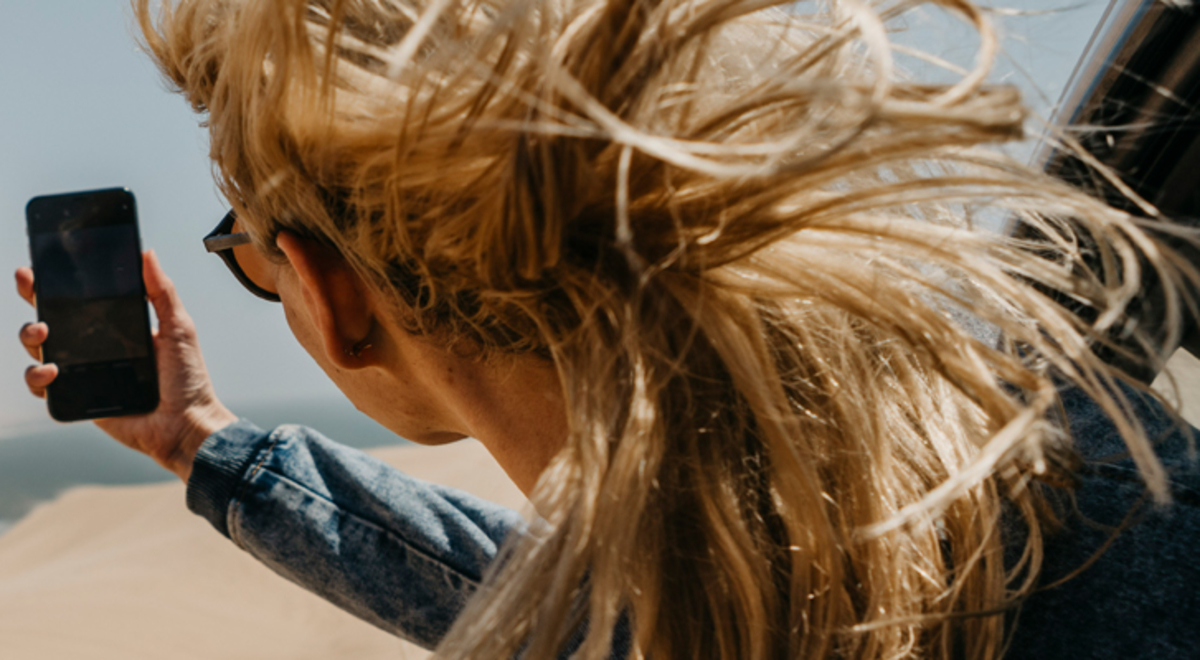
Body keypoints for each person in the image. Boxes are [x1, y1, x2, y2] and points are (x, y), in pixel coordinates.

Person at [14, 0, 1199, 657]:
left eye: (247, 254)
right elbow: (556, 600)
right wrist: (200, 440)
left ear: (333, 296)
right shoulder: (1053, 471)